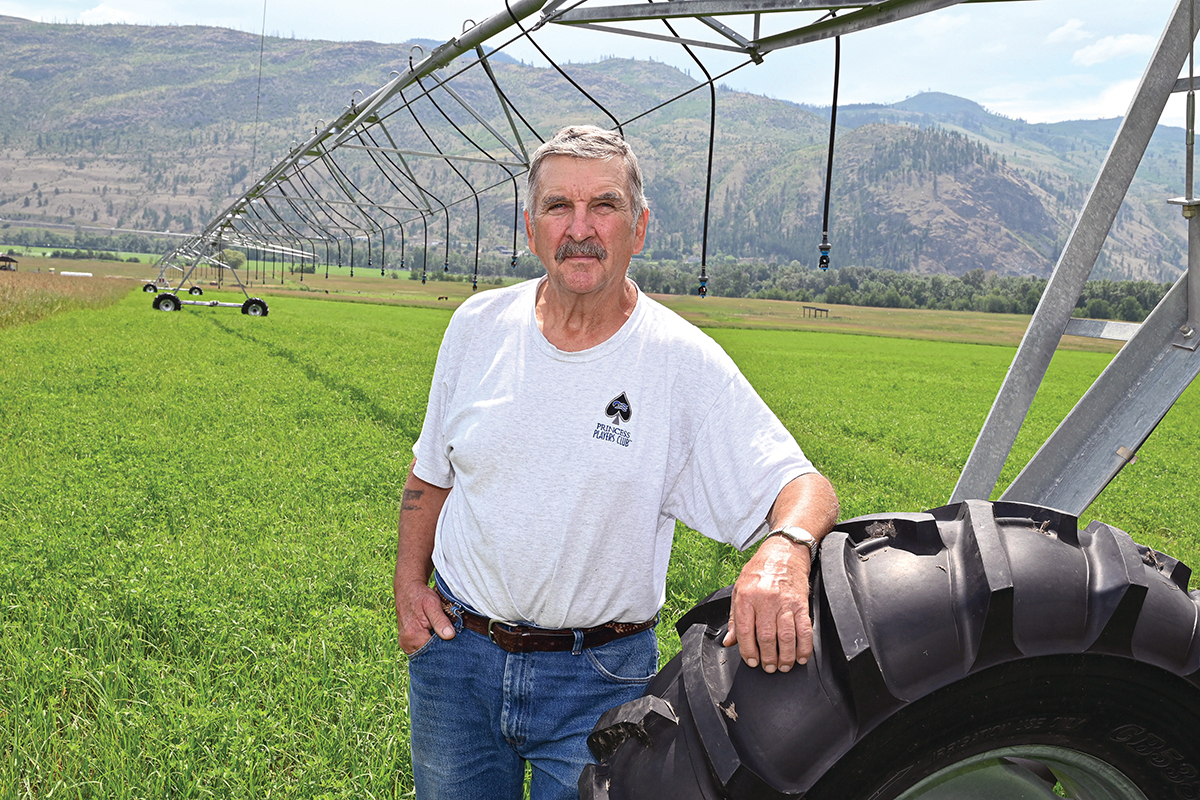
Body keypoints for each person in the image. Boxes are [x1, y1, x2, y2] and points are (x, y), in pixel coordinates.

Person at [394, 125, 839, 800]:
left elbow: (803, 486)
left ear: (639, 224)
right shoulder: (477, 326)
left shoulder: (679, 362)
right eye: (557, 207)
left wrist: (786, 549)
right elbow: (430, 476)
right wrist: (407, 584)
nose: (580, 228)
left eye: (603, 205)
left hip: (595, 680)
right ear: (531, 226)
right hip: (457, 661)